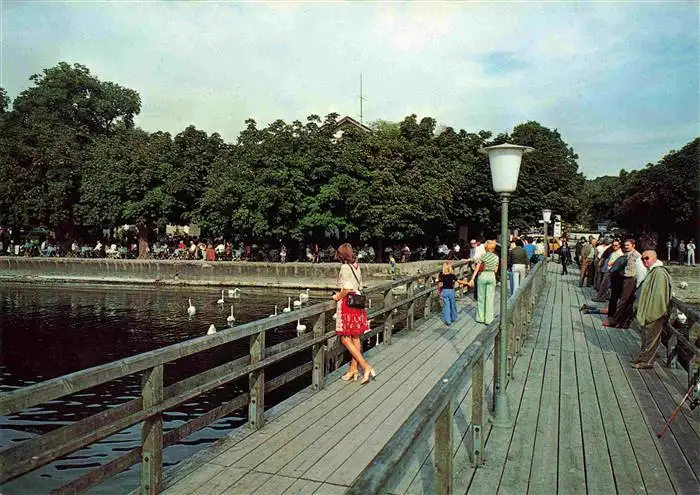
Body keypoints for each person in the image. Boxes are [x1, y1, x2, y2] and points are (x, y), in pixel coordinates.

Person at [332, 243, 375, 384]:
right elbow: (359, 285)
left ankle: (365, 366)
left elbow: (346, 289)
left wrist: (337, 297)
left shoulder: (344, 267)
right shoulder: (356, 266)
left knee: (345, 337)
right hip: (358, 304)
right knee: (355, 337)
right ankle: (353, 369)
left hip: (347, 304)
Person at [631, 250, 672, 369]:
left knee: (652, 338)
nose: (644, 261)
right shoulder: (653, 271)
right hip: (649, 311)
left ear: (655, 258)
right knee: (646, 336)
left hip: (654, 312)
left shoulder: (659, 273)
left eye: (647, 258)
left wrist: (653, 314)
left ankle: (647, 361)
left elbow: (659, 296)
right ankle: (643, 357)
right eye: (643, 259)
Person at [604, 239, 642, 329]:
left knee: (623, 301)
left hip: (630, 279)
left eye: (628, 245)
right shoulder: (626, 254)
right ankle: (623, 322)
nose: (626, 246)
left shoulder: (637, 256)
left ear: (633, 245)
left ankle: (615, 321)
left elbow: (639, 270)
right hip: (624, 279)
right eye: (625, 245)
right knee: (627, 301)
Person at [467, 240, 499, 324]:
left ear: (486, 248)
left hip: (482, 276)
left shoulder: (482, 256)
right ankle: (488, 319)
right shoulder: (496, 257)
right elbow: (496, 270)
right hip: (491, 276)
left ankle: (480, 318)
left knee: (481, 297)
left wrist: (472, 279)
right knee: (490, 298)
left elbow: (477, 268)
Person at [438, 261, 461, 326]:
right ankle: (454, 318)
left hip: (444, 291)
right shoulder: (452, 275)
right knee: (453, 305)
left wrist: (440, 292)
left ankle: (448, 321)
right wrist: (466, 283)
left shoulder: (441, 275)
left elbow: (439, 284)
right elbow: (458, 281)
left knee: (446, 306)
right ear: (450, 268)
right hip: (451, 291)